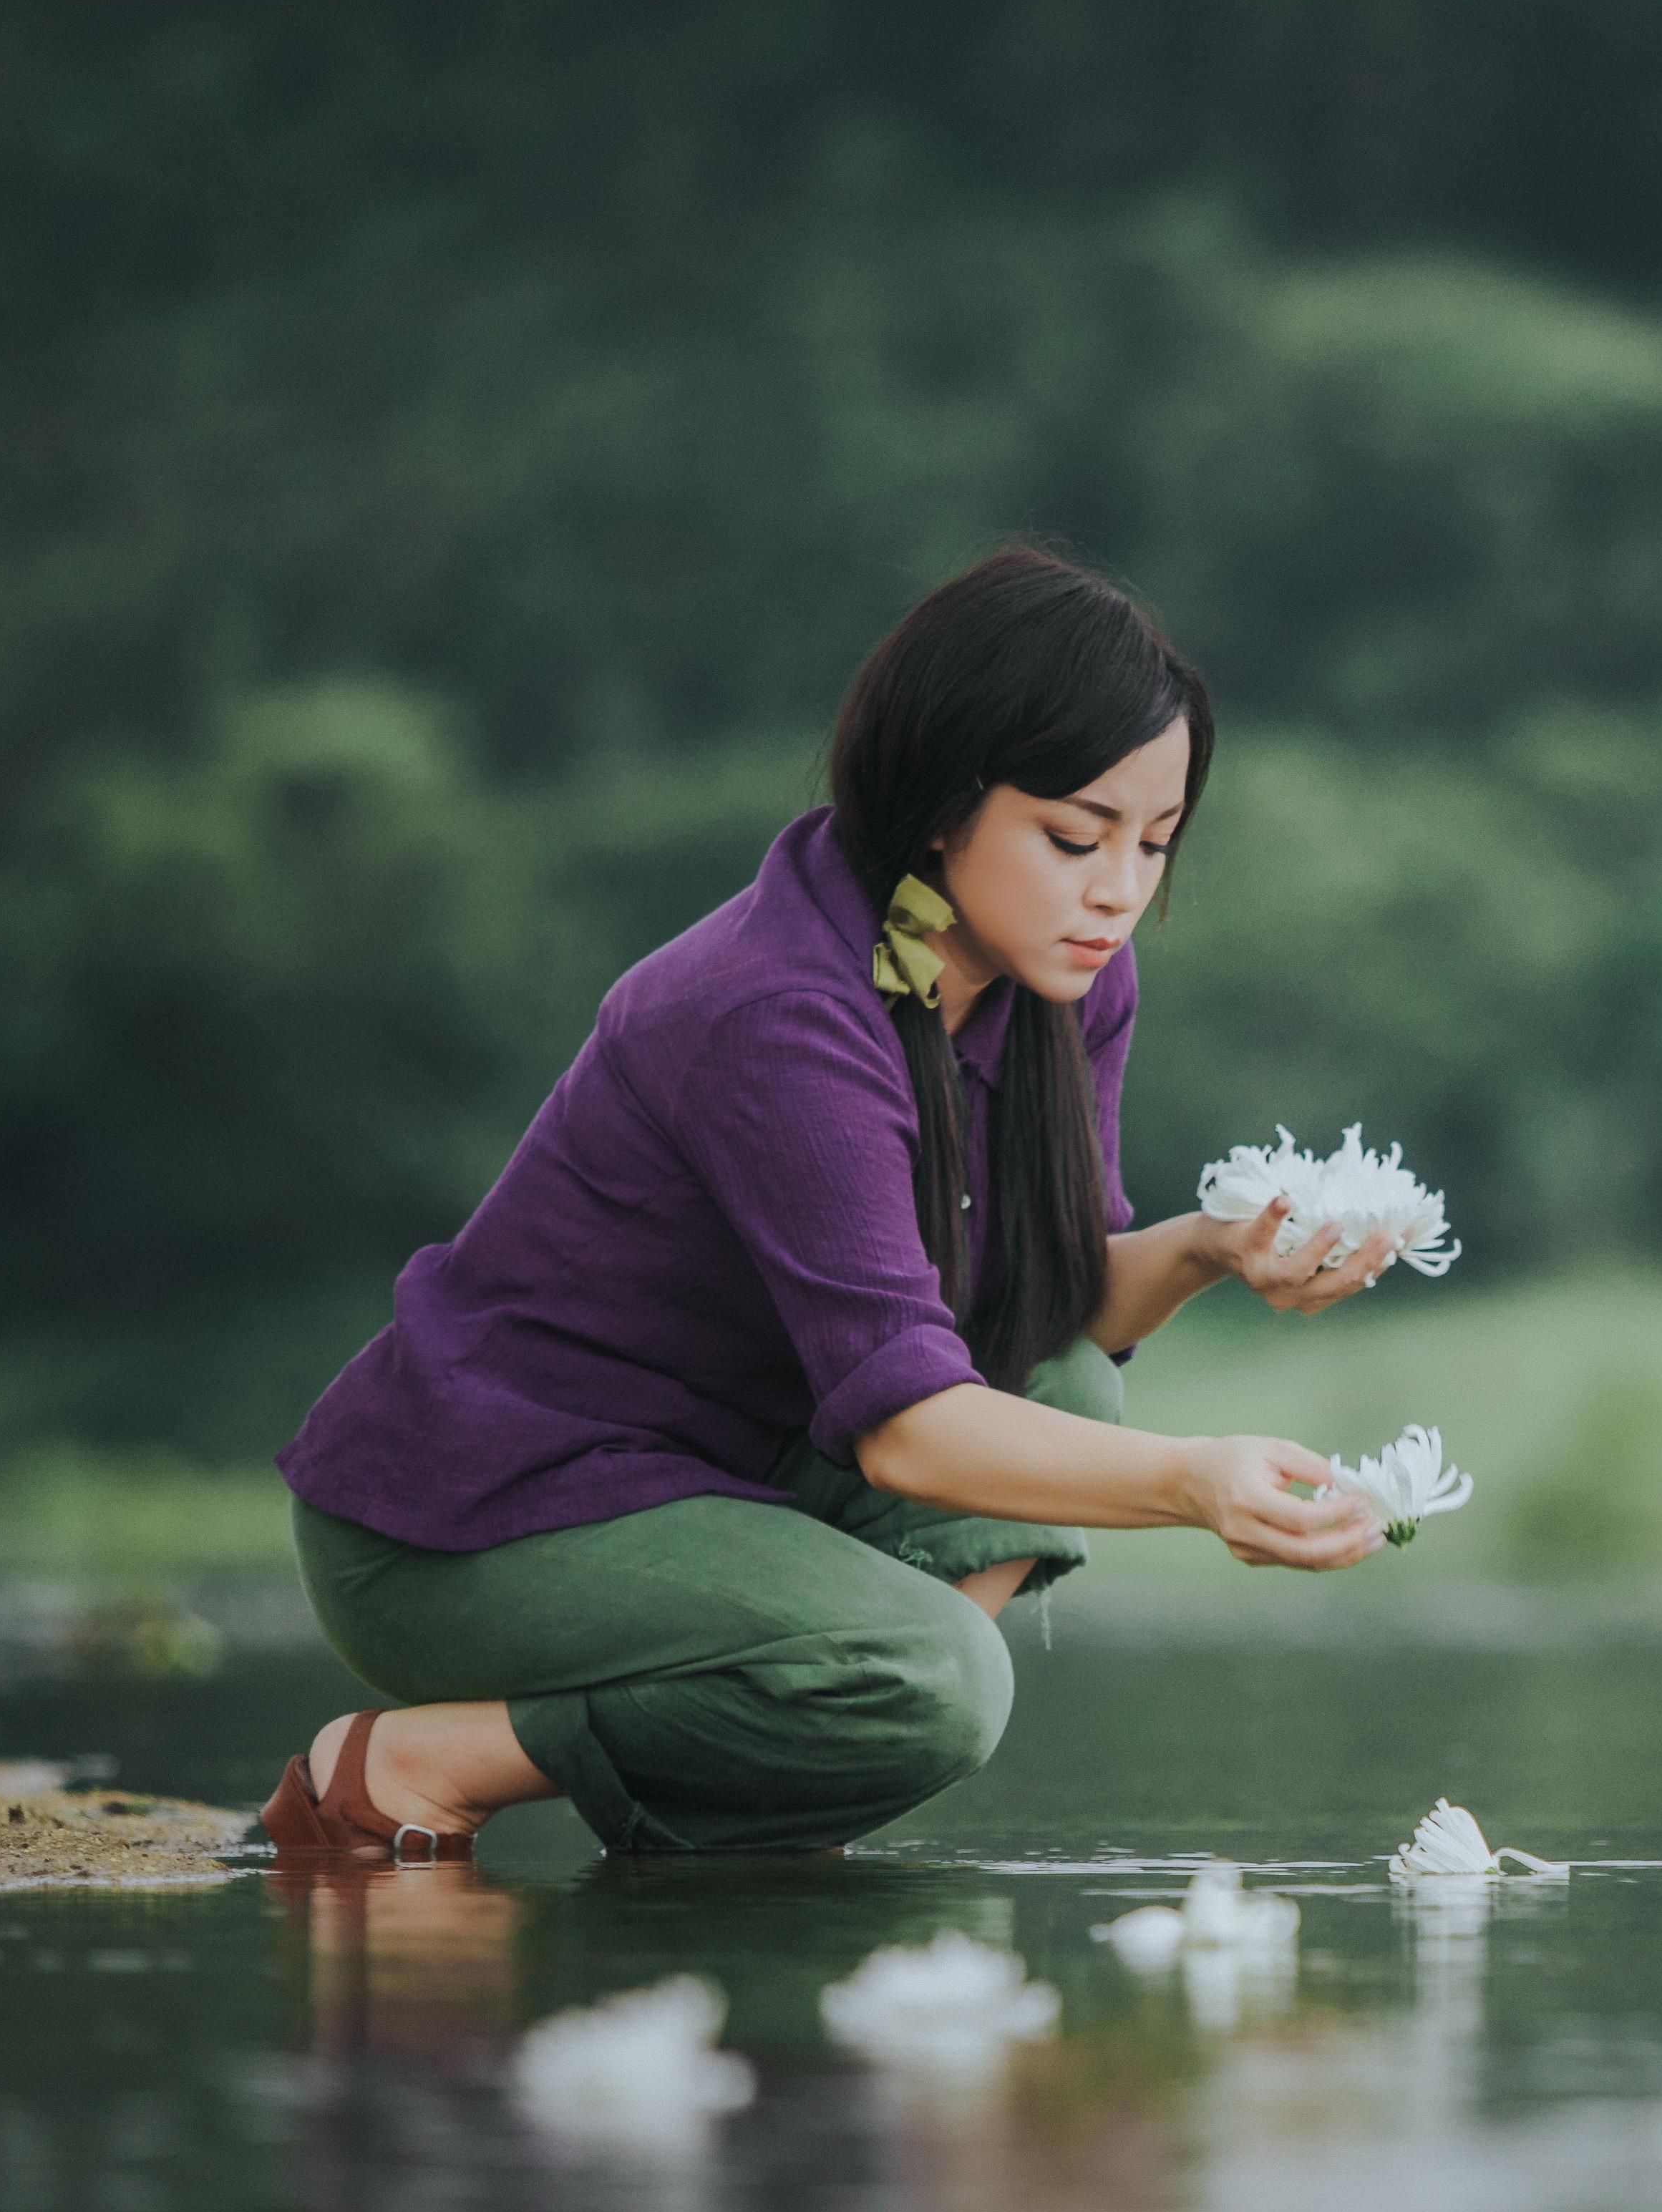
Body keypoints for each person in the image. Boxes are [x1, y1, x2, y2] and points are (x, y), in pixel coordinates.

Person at [262, 545, 1396, 1858]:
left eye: (1156, 843)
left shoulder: (1061, 982)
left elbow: (1038, 1302)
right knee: (940, 1683)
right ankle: (415, 1767)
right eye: (1077, 838)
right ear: (940, 802)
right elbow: (911, 1430)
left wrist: (1209, 1249)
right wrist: (1197, 1483)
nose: (1120, 892)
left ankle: (808, 1729)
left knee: (1065, 1381)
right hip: (469, 1528)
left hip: (722, 1484)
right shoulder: (778, 1014)